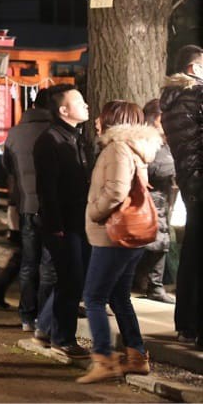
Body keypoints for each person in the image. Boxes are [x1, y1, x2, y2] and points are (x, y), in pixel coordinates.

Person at [78, 101, 160, 383]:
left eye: (102, 116)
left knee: (94, 298)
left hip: (112, 235)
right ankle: (136, 356)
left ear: (114, 119)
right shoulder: (135, 149)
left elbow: (115, 191)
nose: (97, 121)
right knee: (119, 296)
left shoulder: (117, 148)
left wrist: (93, 210)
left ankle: (103, 358)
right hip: (129, 235)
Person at [33, 84, 93, 359]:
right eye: (79, 102)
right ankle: (63, 338)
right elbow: (48, 187)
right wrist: (55, 224)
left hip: (79, 220)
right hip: (63, 223)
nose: (86, 106)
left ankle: (48, 328)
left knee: (73, 280)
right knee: (71, 280)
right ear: (63, 110)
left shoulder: (77, 138)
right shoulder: (50, 140)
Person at [0, 88, 53, 330]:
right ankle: (45, 314)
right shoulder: (55, 131)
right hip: (53, 206)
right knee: (50, 264)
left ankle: (27, 315)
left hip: (26, 204)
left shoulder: (16, 132)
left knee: (29, 261)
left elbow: (7, 165)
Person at [160, 44, 203, 346]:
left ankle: (187, 323)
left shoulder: (173, 100)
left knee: (192, 251)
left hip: (191, 182)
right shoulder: (197, 95)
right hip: (199, 179)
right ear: (193, 68)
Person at [135, 99, 177, 304]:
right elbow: (151, 168)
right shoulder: (146, 140)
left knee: (162, 242)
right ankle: (144, 284)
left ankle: (155, 285)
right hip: (148, 198)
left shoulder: (166, 140)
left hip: (162, 198)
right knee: (144, 243)